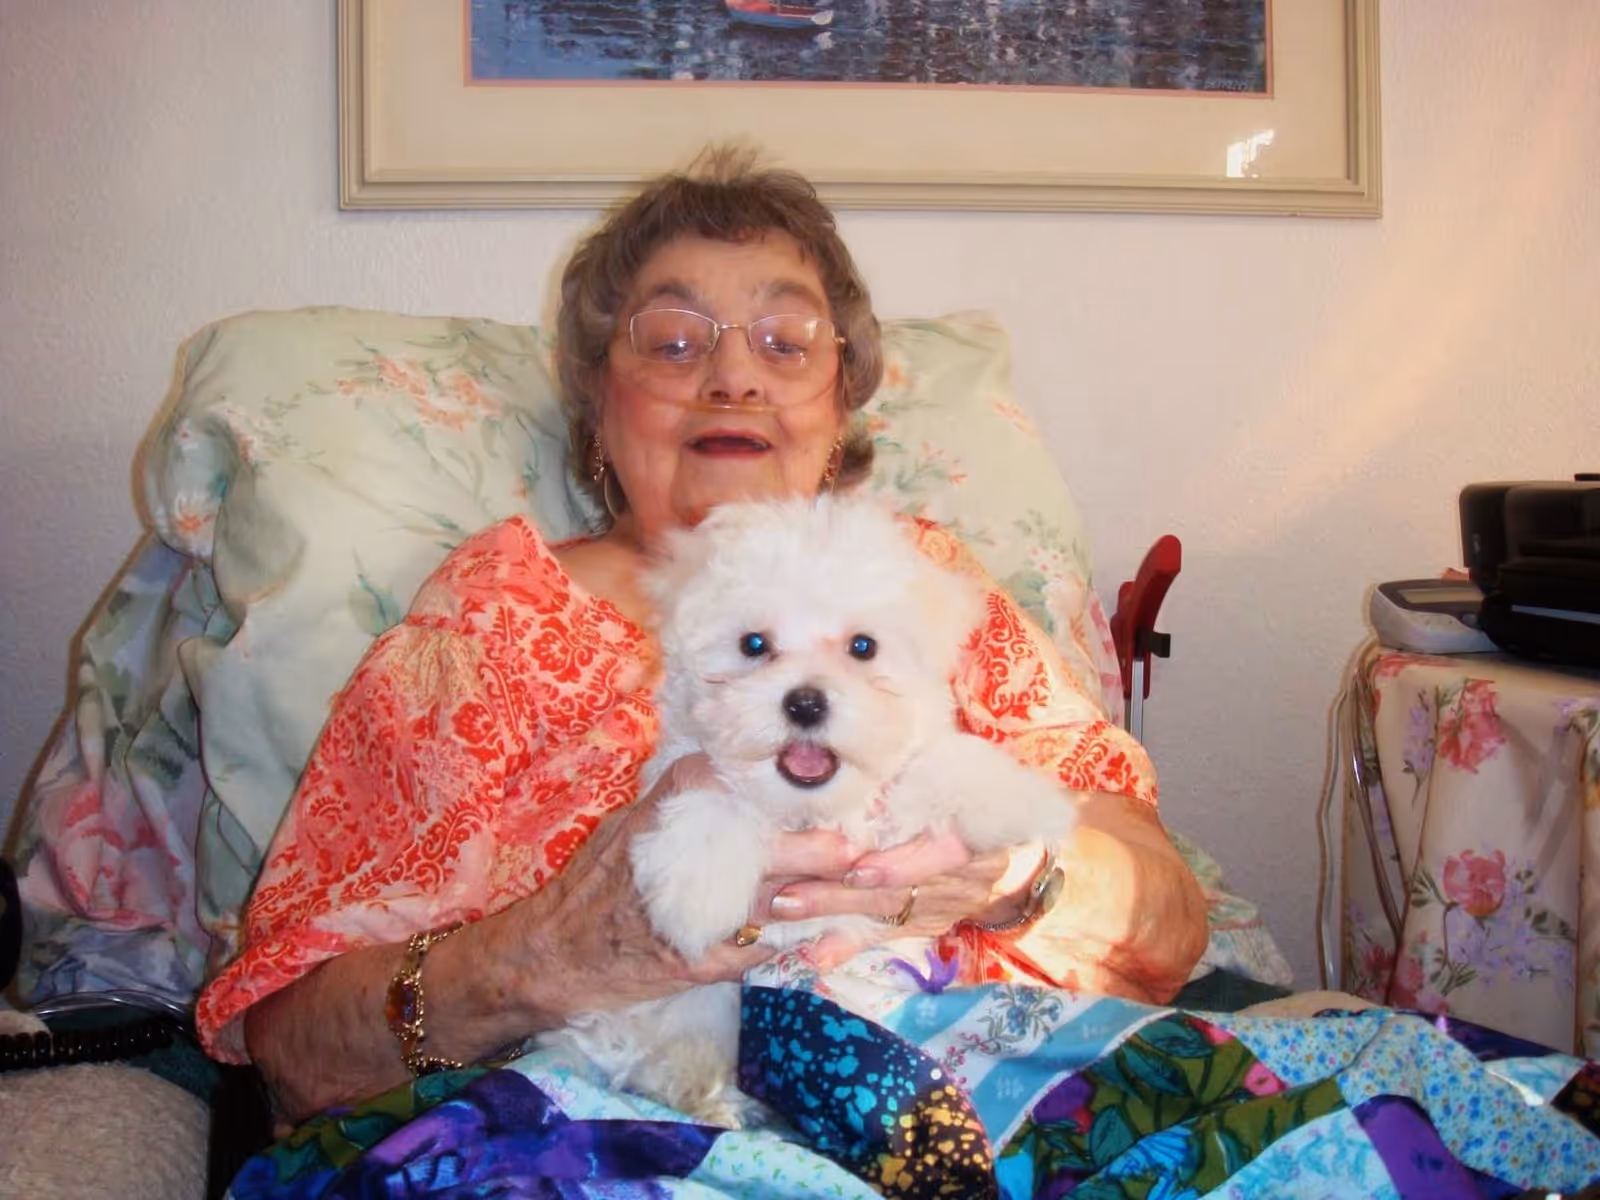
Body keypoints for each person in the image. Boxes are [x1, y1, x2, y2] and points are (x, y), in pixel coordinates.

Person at [194, 147, 1209, 1128]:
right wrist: (534, 960)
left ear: (839, 404)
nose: (732, 376)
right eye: (674, 341)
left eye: (784, 342)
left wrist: (1017, 878)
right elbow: (293, 1051)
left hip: (985, 1096)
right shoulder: (493, 618)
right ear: (597, 399)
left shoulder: (926, 587)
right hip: (595, 1127)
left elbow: (1166, 923)